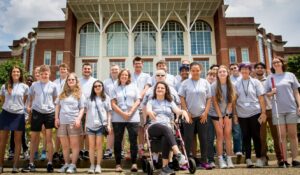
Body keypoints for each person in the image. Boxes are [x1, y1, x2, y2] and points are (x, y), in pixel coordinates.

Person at [146, 81, 190, 175]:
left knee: (166, 136)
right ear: (155, 90)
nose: (160, 89)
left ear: (166, 90)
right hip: (154, 127)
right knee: (166, 129)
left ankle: (165, 168)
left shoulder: (170, 102)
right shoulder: (151, 101)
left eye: (162, 88)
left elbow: (178, 111)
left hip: (166, 129)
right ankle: (178, 154)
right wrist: (149, 112)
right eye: (158, 88)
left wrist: (184, 112)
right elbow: (148, 109)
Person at [265, 56, 300, 168]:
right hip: (277, 110)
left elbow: (296, 92)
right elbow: (267, 94)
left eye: (278, 62)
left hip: (291, 109)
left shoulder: (290, 75)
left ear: (282, 63)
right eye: (274, 62)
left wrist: (299, 105)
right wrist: (272, 92)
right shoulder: (270, 78)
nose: (276, 64)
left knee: (293, 135)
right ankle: (285, 160)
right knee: (282, 136)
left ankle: (295, 159)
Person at [23, 65, 58, 172]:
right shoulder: (34, 85)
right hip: (37, 112)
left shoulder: (53, 85)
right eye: (42, 74)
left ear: (49, 74)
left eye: (46, 74)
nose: (44, 75)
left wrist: (55, 113)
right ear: (40, 74)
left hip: (49, 113)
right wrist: (28, 107)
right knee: (34, 139)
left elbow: (55, 100)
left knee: (48, 138)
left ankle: (50, 163)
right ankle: (31, 163)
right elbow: (30, 98)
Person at [179, 62, 212, 170]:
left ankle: (204, 161)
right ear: (190, 71)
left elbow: (209, 98)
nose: (195, 72)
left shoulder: (205, 82)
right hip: (189, 116)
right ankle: (187, 162)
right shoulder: (185, 83)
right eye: (193, 70)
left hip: (202, 116)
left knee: (203, 139)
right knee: (188, 139)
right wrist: (186, 111)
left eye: (197, 70)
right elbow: (182, 98)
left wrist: (206, 112)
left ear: (200, 71)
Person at [234, 63, 266, 168]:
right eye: (242, 69)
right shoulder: (237, 83)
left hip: (255, 112)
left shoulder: (256, 82)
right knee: (245, 136)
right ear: (240, 71)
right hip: (242, 114)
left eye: (246, 69)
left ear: (250, 70)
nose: (244, 71)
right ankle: (248, 159)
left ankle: (258, 158)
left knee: (256, 136)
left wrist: (263, 112)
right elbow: (234, 100)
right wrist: (234, 114)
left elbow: (261, 98)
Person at [0, 66, 29, 173]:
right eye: (14, 71)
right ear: (11, 73)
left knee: (17, 142)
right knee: (2, 141)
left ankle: (15, 166)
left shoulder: (25, 87)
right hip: (6, 114)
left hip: (19, 115)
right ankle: (0, 165)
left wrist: (25, 115)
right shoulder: (5, 86)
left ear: (20, 74)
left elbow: (25, 102)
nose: (15, 73)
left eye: (17, 71)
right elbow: (2, 100)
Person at [111, 69, 141, 172]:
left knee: (133, 140)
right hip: (118, 117)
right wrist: (123, 114)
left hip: (133, 117)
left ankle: (134, 163)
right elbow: (113, 103)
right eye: (122, 75)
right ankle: (118, 164)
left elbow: (138, 101)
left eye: (126, 75)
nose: (124, 76)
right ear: (119, 76)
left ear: (128, 77)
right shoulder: (114, 87)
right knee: (118, 141)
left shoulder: (134, 86)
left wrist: (130, 112)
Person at [55, 73, 85, 173]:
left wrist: (78, 119)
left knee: (74, 145)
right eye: (69, 80)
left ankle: (73, 165)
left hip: (73, 121)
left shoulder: (80, 94)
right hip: (62, 122)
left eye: (72, 80)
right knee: (64, 145)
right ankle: (66, 164)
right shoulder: (62, 93)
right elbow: (57, 106)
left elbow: (82, 108)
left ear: (76, 81)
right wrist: (56, 118)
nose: (71, 81)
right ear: (67, 82)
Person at [254, 62, 282, 166]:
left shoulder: (271, 79)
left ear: (265, 70)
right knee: (262, 136)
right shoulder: (253, 81)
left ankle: (280, 158)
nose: (260, 69)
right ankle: (263, 158)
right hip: (259, 112)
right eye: (257, 67)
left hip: (272, 110)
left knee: (276, 135)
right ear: (255, 70)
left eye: (262, 67)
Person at [209, 65, 235, 169]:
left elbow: (231, 101)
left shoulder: (231, 85)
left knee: (228, 136)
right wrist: (220, 116)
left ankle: (229, 159)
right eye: (220, 72)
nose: (222, 73)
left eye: (224, 71)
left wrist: (227, 115)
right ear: (217, 74)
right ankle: (220, 159)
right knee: (220, 136)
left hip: (227, 113)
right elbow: (214, 103)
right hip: (216, 114)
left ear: (227, 73)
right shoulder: (214, 85)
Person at [85, 80, 112, 173]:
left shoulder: (106, 98)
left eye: (99, 86)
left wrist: (108, 124)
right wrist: (85, 124)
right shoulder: (89, 98)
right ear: (93, 88)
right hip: (90, 125)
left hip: (101, 125)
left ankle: (98, 165)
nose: (97, 87)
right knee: (91, 146)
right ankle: (92, 165)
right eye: (95, 86)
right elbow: (86, 111)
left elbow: (109, 112)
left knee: (99, 145)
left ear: (102, 87)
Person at [8, 75, 33, 161]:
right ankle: (12, 151)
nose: (29, 82)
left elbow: (31, 105)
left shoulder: (32, 92)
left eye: (31, 81)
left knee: (22, 134)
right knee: (13, 132)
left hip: (25, 115)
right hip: (16, 113)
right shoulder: (22, 89)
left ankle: (25, 151)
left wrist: (28, 117)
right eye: (28, 80)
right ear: (25, 81)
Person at [131, 57, 151, 157]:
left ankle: (149, 147)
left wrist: (139, 97)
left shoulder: (147, 76)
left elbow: (147, 87)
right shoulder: (130, 76)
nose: (138, 65)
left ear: (142, 64)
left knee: (146, 126)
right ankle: (140, 147)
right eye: (136, 63)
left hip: (144, 105)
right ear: (133, 65)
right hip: (133, 106)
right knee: (138, 128)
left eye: (139, 63)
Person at [79, 62, 97, 160]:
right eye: (85, 68)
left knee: (89, 132)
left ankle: (87, 151)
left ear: (91, 70)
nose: (87, 70)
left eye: (88, 69)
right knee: (80, 132)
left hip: (91, 110)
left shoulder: (95, 81)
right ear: (82, 70)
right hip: (80, 110)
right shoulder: (78, 81)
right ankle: (81, 151)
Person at [103, 64, 120, 159]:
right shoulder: (106, 82)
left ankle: (120, 150)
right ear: (110, 71)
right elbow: (103, 95)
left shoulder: (122, 81)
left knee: (121, 131)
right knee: (110, 130)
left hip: (121, 109)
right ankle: (109, 150)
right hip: (109, 109)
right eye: (112, 69)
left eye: (116, 69)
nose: (114, 71)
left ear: (119, 70)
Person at [53, 63, 69, 162]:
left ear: (67, 70)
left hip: (68, 109)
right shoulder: (54, 82)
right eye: (61, 69)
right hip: (58, 108)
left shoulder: (71, 81)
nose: (63, 71)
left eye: (64, 69)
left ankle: (66, 152)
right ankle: (56, 152)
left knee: (68, 133)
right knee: (59, 132)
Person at [229, 63, 243, 160]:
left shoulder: (244, 77)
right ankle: (238, 150)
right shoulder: (229, 80)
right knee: (237, 130)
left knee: (246, 131)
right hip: (234, 108)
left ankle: (245, 149)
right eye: (231, 68)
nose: (234, 69)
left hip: (245, 108)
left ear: (238, 68)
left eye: (235, 67)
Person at [205, 70, 217, 168]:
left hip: (218, 115)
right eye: (210, 75)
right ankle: (210, 159)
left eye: (213, 75)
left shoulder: (218, 86)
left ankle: (223, 157)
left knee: (221, 138)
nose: (211, 77)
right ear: (206, 76)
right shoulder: (203, 85)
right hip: (208, 115)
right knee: (209, 138)